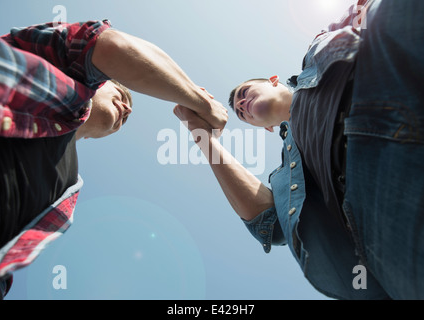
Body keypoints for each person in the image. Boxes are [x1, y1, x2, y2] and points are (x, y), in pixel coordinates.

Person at [174, 0, 424, 300]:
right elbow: (269, 226)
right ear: (265, 129)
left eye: (243, 94)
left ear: (273, 81)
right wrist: (201, 134)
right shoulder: (288, 176)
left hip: (390, 77)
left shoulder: (317, 52)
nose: (241, 105)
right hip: (381, 204)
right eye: (241, 112)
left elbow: (363, 13)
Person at [0, 20, 228, 299]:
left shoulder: (67, 193)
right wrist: (203, 104)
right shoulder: (56, 69)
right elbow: (111, 47)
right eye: (120, 94)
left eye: (127, 116)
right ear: (100, 82)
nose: (125, 108)